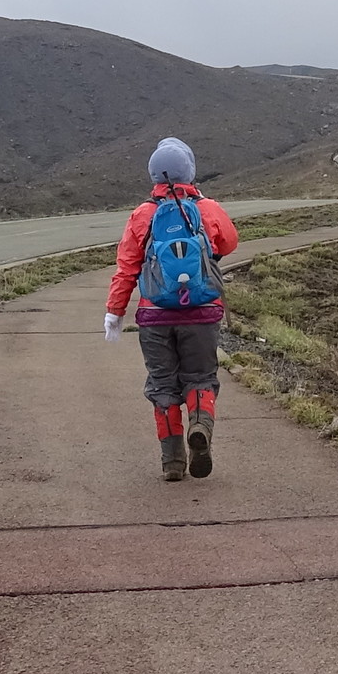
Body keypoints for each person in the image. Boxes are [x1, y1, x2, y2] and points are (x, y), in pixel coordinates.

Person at [104, 137, 239, 481]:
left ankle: (173, 462)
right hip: (202, 312)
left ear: (153, 174)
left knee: (162, 385)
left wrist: (114, 312)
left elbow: (126, 268)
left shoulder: (143, 214)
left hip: (154, 316)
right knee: (201, 378)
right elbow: (229, 242)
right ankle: (201, 427)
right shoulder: (206, 208)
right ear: (190, 171)